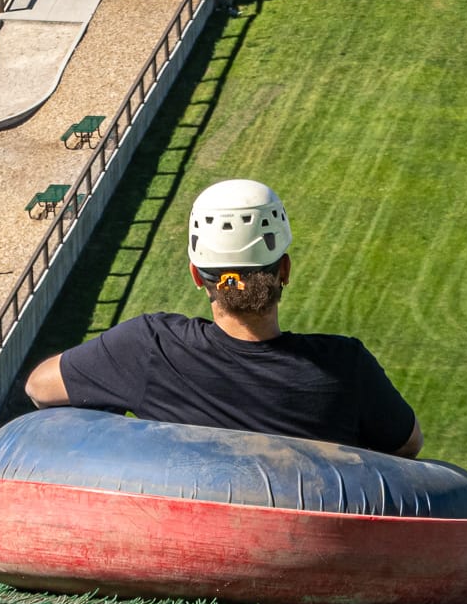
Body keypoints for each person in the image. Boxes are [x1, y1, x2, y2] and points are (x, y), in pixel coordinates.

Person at [23, 180, 424, 457]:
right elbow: (406, 446)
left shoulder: (148, 348)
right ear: (284, 270)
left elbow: (40, 387)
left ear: (198, 275)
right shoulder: (345, 366)